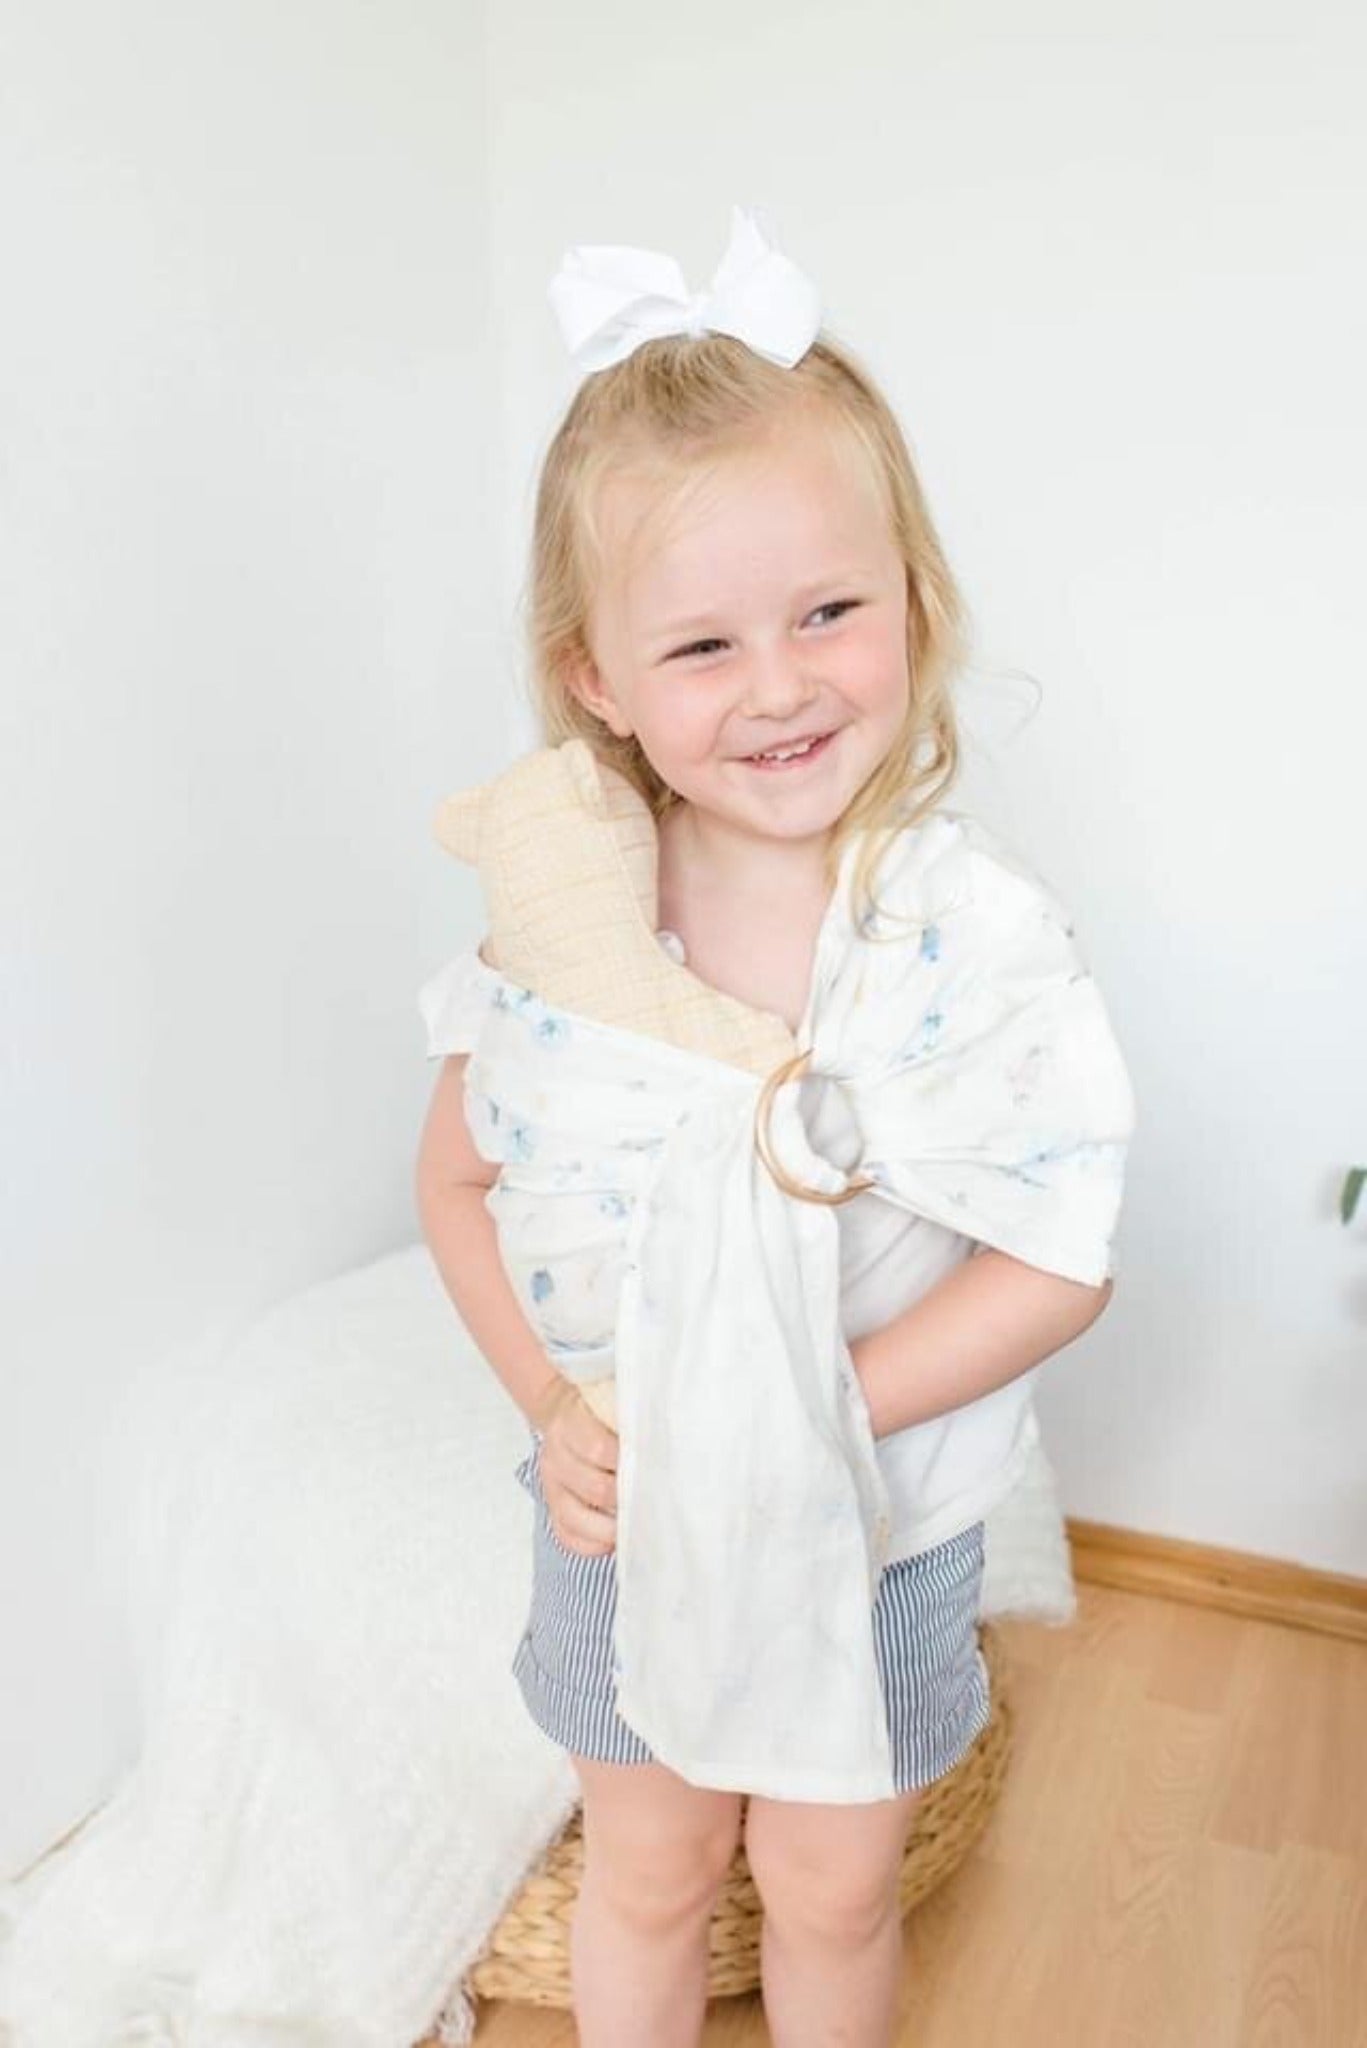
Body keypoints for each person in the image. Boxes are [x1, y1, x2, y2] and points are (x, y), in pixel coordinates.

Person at [414, 205, 1135, 2048]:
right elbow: (462, 1172)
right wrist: (556, 1409)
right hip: (632, 1512)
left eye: (829, 611)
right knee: (651, 1875)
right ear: (597, 679)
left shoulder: (963, 929)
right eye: (703, 644)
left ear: (914, 597)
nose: (781, 684)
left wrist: (816, 1408)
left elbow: (1059, 1252)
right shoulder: (572, 915)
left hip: (883, 1519)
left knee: (829, 1890)